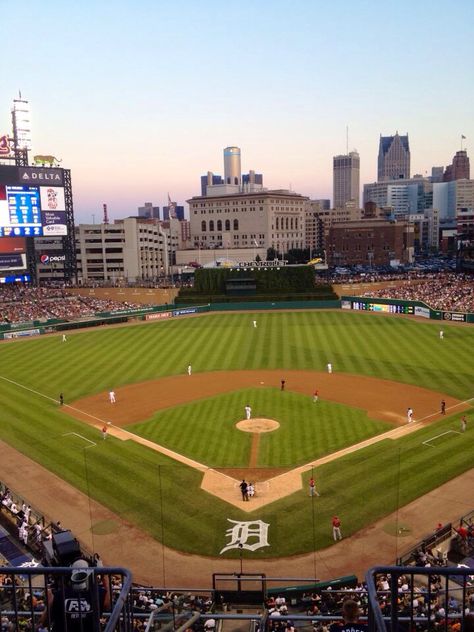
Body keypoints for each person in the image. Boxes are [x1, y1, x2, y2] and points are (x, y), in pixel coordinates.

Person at [41, 559, 110, 632]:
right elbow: (108, 605)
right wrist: (105, 578)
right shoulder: (97, 593)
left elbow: (44, 622)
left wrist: (49, 604)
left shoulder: (58, 595)